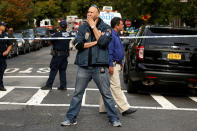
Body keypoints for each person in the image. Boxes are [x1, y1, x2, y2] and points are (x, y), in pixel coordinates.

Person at [61, 5, 121, 127]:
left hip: (100, 67)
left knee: (106, 94)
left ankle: (114, 119)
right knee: (77, 93)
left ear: (97, 14)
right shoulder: (82, 27)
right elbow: (78, 44)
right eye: (88, 12)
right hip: (84, 66)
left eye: (91, 12)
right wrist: (95, 42)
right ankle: (70, 118)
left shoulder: (106, 27)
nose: (89, 14)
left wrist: (93, 27)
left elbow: (104, 42)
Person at [99, 17, 137, 116]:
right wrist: (111, 65)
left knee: (106, 86)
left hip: (116, 64)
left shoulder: (115, 34)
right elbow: (109, 51)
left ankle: (103, 108)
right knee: (116, 87)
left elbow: (117, 50)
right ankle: (124, 108)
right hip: (112, 64)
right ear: (116, 25)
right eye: (121, 24)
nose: (123, 25)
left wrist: (120, 62)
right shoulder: (112, 35)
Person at [41, 20, 71, 90]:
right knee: (62, 70)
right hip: (65, 55)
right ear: (66, 27)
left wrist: (48, 37)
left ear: (60, 27)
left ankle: (49, 85)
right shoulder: (68, 34)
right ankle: (63, 86)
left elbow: (49, 42)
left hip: (57, 56)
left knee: (53, 70)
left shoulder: (57, 34)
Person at [0, 21, 12, 91]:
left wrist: (7, 51)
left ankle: (0, 85)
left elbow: (10, 44)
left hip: (2, 56)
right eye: (3, 25)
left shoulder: (5, 35)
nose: (5, 27)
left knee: (2, 70)